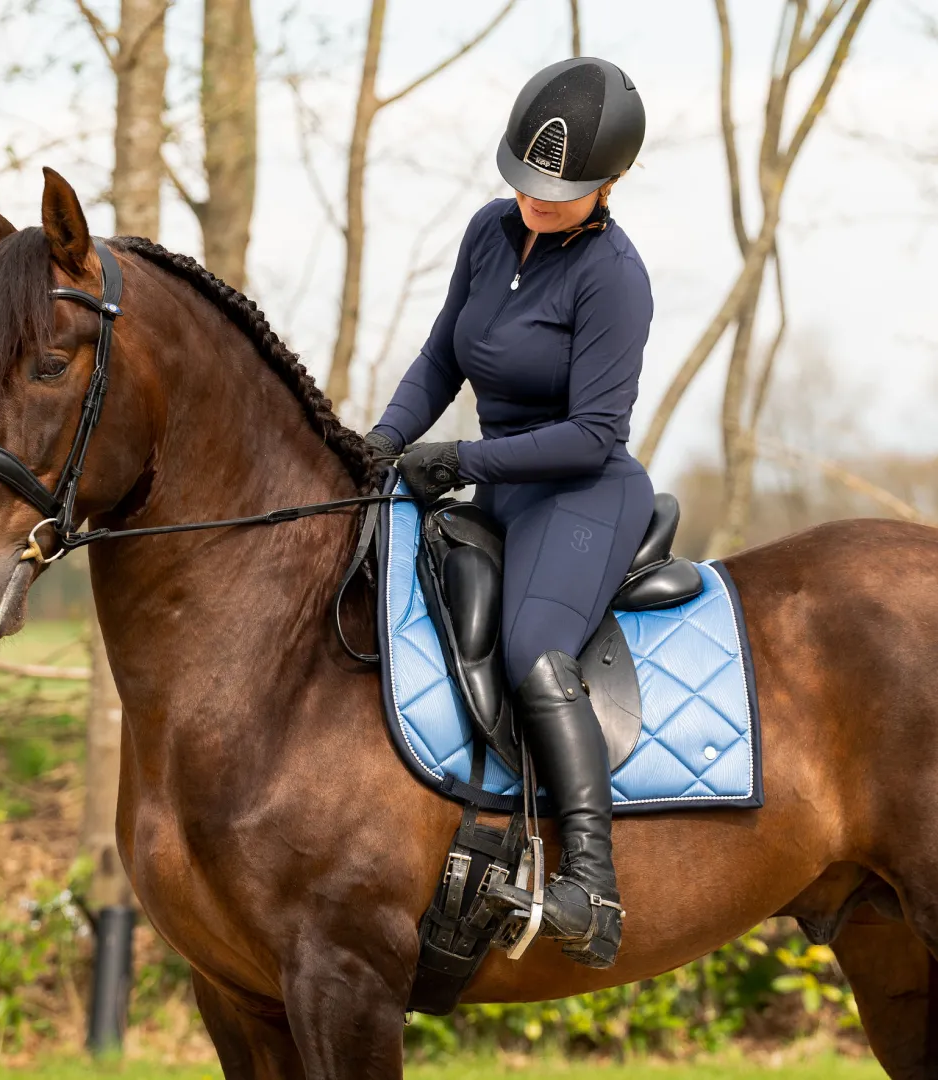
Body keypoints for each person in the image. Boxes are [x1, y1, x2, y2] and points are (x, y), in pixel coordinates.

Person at [364, 57, 654, 969]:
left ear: (609, 185)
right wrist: (380, 443)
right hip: (497, 487)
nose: (536, 201)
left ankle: (593, 888)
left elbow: (592, 434)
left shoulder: (615, 276)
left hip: (581, 492)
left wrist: (458, 458)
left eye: (560, 192)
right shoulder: (490, 233)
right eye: (526, 182)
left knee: (531, 649)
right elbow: (440, 358)